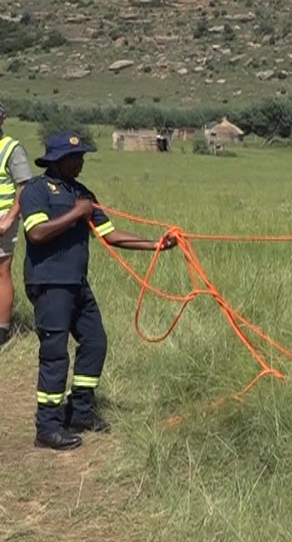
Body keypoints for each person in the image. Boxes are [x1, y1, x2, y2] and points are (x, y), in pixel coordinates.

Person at [19, 132, 175, 451]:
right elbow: (36, 233)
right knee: (55, 353)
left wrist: (156, 244)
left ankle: (80, 411)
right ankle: (47, 427)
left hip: (77, 284)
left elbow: (111, 234)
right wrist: (77, 214)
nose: (81, 162)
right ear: (58, 160)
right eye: (75, 158)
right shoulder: (36, 190)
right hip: (50, 284)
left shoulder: (83, 194)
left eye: (83, 157)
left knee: (95, 342)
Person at [0, 102, 34, 347]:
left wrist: (10, 218)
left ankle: (1, 331)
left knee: (1, 272)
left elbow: (25, 187)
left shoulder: (11, 148)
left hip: (1, 219)